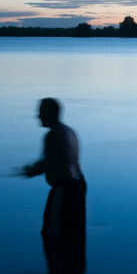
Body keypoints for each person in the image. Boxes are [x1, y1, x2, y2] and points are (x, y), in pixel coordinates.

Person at [21, 97, 86, 241]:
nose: (38, 116)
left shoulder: (52, 135)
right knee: (73, 238)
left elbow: (45, 164)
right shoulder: (70, 131)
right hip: (79, 186)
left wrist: (30, 171)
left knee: (53, 237)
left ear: (50, 113)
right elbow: (58, 160)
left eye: (41, 112)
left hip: (64, 191)